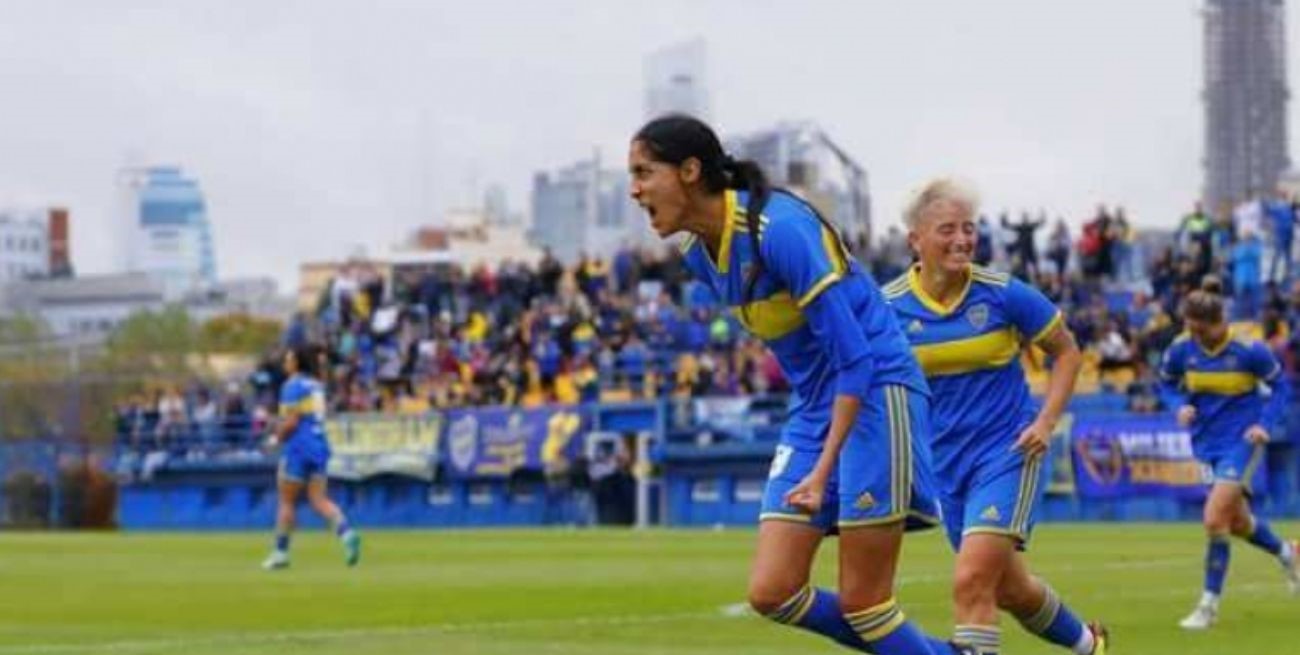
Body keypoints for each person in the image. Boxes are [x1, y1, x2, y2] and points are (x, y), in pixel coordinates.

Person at [629, 114, 963, 655]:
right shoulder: (697, 252)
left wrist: (823, 467)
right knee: (774, 592)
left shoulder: (779, 229)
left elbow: (855, 359)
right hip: (815, 406)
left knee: (866, 604)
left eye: (645, 172)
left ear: (689, 171)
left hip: (876, 392)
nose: (635, 189)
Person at [884, 178, 1108, 655]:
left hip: (1007, 451)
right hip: (944, 466)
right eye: (948, 229)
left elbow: (1067, 352)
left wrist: (1045, 422)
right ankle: (1091, 646)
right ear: (915, 240)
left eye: (969, 228)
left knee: (971, 581)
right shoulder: (887, 308)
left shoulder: (1004, 294)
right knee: (1010, 589)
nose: (962, 239)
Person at [1159, 277, 1298, 630]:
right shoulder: (1181, 349)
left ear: (1219, 321)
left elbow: (1281, 386)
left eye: (1201, 329)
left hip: (1241, 442)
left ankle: (1208, 607)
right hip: (1205, 444)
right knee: (1236, 522)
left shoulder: (1249, 350)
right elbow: (1166, 383)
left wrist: (1264, 423)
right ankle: (1288, 553)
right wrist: (1177, 405)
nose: (1196, 335)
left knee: (1213, 519)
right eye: (1191, 329)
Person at [261, 344, 361, 570]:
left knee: (287, 501)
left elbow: (291, 422)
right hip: (319, 445)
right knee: (319, 499)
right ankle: (346, 533)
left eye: (289, 358)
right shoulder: (317, 385)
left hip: (299, 447)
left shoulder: (292, 386)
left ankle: (281, 552)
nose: (286, 362)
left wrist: (275, 439)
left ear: (297, 362)